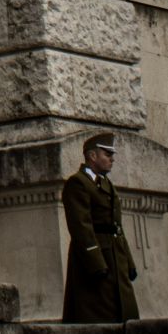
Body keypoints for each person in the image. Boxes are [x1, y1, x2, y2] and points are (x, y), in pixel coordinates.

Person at [61, 133, 138, 322]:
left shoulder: (106, 184)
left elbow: (117, 227)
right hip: (96, 260)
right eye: (107, 154)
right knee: (99, 313)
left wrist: (129, 262)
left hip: (115, 256)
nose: (112, 159)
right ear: (92, 156)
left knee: (125, 315)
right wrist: (95, 262)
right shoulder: (78, 183)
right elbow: (81, 227)